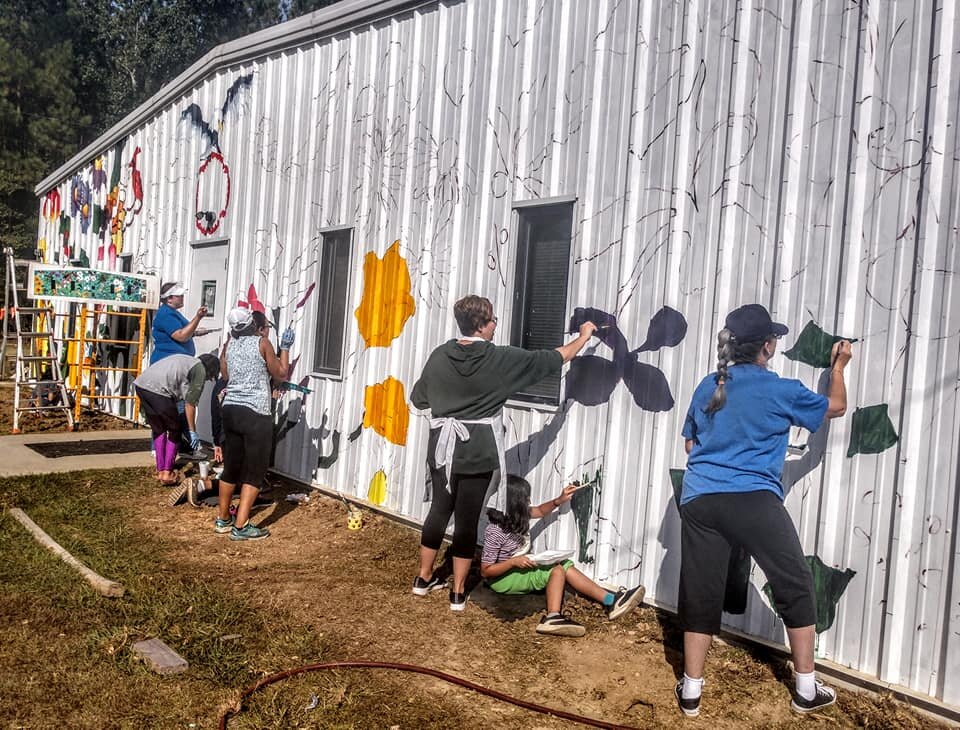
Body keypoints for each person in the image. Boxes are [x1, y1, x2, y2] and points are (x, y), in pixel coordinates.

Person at [676, 304, 853, 717]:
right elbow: (836, 407)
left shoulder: (708, 385)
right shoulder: (780, 389)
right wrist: (839, 369)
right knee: (793, 581)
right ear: (768, 346)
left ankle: (691, 692)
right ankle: (806, 691)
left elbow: (690, 446)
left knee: (701, 591)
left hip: (699, 498)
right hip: (752, 498)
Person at [410, 294, 597, 611]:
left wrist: (451, 401)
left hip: (442, 447)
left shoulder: (440, 355)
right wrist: (584, 336)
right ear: (481, 325)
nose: (496, 324)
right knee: (467, 520)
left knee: (440, 511)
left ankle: (423, 579)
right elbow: (553, 359)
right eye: (493, 319)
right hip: (477, 449)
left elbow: (419, 399)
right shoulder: (498, 358)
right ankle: (457, 592)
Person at [481, 475, 645, 636]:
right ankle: (552, 618)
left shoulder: (518, 514)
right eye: (525, 498)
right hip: (502, 579)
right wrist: (512, 563)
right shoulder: (495, 531)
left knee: (564, 563)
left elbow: (539, 510)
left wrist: (558, 500)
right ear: (513, 502)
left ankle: (611, 600)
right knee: (556, 571)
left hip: (515, 569)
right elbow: (486, 571)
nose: (529, 501)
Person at [215, 308, 293, 541]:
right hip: (255, 412)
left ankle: (223, 520)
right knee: (255, 471)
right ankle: (241, 526)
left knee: (232, 467)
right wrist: (285, 348)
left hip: (230, 409)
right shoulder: (263, 343)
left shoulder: (230, 345)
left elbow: (226, 374)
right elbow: (281, 373)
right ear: (251, 323)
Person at [133, 353, 220, 485]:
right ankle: (167, 473)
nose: (207, 380)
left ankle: (160, 470)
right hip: (158, 389)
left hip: (142, 385)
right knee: (175, 429)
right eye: (209, 377)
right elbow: (190, 404)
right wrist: (192, 431)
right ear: (210, 369)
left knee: (159, 429)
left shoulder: (188, 363)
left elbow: (180, 393)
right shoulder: (200, 370)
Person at [150, 282, 208, 364]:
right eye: (179, 296)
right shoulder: (166, 314)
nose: (182, 297)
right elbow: (181, 336)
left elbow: (181, 331)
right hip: (167, 362)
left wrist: (195, 333)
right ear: (169, 299)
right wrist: (198, 317)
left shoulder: (172, 312)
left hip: (175, 362)